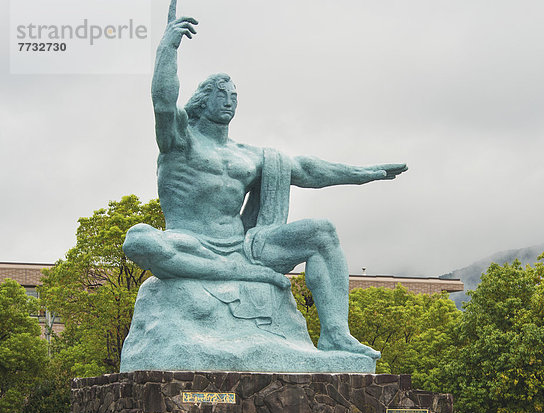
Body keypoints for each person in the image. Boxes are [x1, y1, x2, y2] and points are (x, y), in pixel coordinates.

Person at [123, 1, 408, 360]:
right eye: (221, 95)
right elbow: (163, 102)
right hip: (190, 242)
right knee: (138, 240)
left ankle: (336, 334)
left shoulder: (250, 155)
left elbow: (306, 170)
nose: (229, 102)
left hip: (246, 247)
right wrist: (167, 48)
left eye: (234, 96)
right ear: (202, 100)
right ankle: (229, 272)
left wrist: (363, 174)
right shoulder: (180, 140)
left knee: (322, 233)